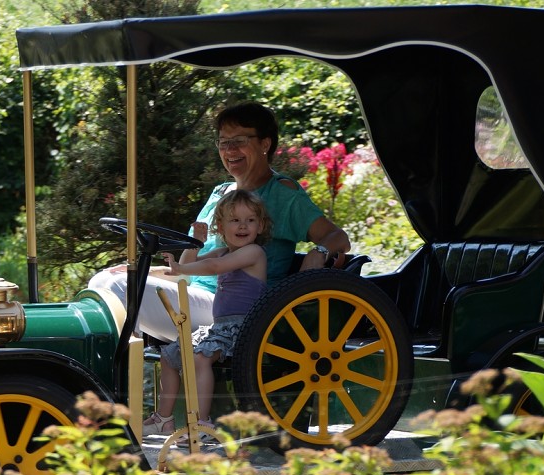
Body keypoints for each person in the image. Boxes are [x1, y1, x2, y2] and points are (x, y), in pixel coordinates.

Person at [88, 101, 351, 342]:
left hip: (239, 311)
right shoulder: (221, 193)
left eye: (239, 141)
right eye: (223, 142)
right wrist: (150, 271)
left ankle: (126, 368)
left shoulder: (282, 193)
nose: (229, 150)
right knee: (106, 280)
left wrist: (318, 253)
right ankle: (131, 366)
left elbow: (339, 237)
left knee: (117, 287)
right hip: (199, 296)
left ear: (265, 144)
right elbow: (194, 265)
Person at [141, 189, 271, 439]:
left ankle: (202, 424)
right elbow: (193, 264)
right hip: (219, 328)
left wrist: (179, 266)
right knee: (169, 356)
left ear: (261, 226)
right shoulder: (223, 252)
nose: (243, 226)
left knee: (200, 358)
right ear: (220, 227)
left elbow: (212, 267)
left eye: (250, 220)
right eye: (235, 220)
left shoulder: (254, 252)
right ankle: (163, 419)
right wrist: (195, 243)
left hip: (245, 329)